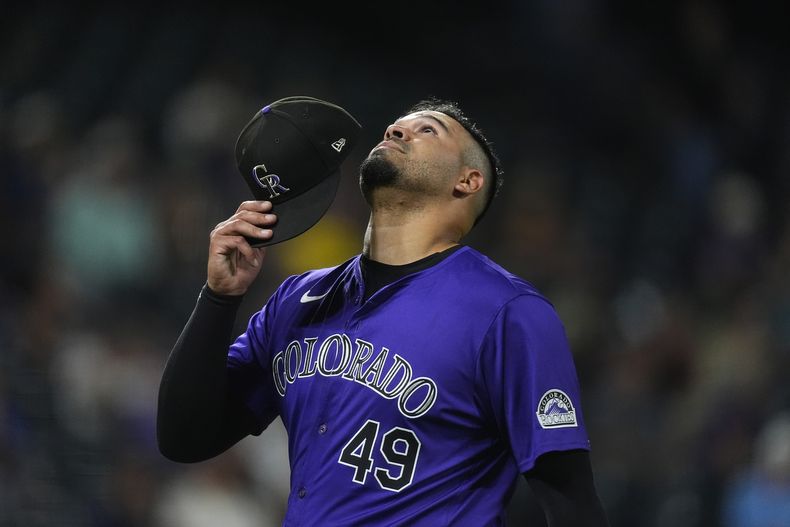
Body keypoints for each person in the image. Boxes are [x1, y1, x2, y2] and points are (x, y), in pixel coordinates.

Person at [157, 98, 609, 526]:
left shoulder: (507, 312)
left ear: (467, 181)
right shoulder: (297, 298)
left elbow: (571, 500)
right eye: (396, 126)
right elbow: (184, 438)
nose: (396, 129)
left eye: (427, 129)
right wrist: (219, 297)